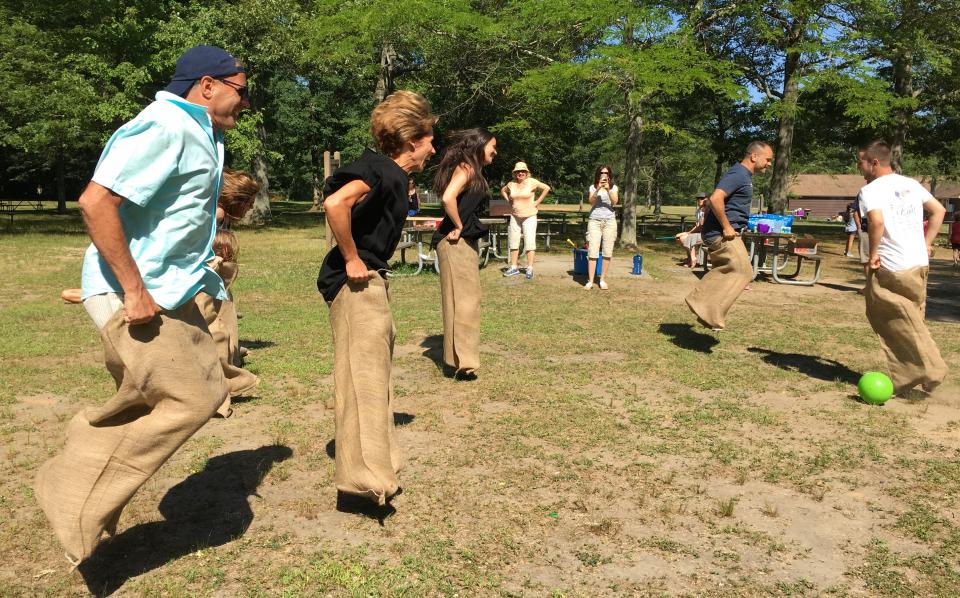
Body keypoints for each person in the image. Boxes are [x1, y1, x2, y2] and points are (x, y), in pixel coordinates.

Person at [34, 45, 248, 565]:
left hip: (170, 288)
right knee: (189, 398)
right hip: (136, 292)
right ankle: (71, 492)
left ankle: (93, 494)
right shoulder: (164, 126)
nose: (246, 102)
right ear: (208, 85)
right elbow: (95, 202)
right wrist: (133, 290)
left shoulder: (201, 131)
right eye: (242, 90)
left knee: (212, 385)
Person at [318, 90, 437, 510]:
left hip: (371, 278)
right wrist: (351, 258)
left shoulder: (391, 174)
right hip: (356, 281)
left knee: (375, 378)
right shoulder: (380, 169)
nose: (433, 148)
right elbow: (335, 203)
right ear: (411, 142)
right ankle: (364, 481)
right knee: (362, 381)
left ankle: (377, 469)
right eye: (429, 140)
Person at [856, 140, 947, 395]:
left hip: (893, 265)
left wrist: (873, 254)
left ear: (874, 162)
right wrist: (926, 243)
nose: (858, 166)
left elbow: (876, 221)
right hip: (918, 263)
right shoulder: (911, 184)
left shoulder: (871, 190)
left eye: (860, 161)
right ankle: (923, 377)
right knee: (914, 319)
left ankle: (929, 370)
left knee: (885, 315)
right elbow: (938, 211)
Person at [685, 141, 774, 330]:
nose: (769, 163)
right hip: (722, 234)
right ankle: (705, 307)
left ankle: (704, 309)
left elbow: (713, 200)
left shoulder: (743, 176)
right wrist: (726, 226)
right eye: (767, 159)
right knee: (743, 271)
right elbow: (716, 198)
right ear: (754, 156)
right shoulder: (739, 174)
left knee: (730, 269)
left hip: (726, 232)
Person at [432, 128, 498, 379]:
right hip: (454, 243)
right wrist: (459, 226)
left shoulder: (470, 169)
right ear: (480, 145)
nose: (495, 151)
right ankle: (465, 363)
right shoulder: (467, 168)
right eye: (492, 146)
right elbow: (448, 198)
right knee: (466, 302)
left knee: (460, 302)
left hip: (458, 244)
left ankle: (456, 360)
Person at [196, 168, 261, 418]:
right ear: (238, 198)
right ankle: (220, 389)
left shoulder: (221, 213)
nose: (250, 209)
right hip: (204, 280)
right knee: (216, 329)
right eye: (249, 203)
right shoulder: (218, 212)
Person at [500, 161, 550, 279]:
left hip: (530, 215)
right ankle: (513, 267)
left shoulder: (532, 182)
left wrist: (537, 202)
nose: (520, 173)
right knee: (513, 240)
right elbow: (503, 190)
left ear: (527, 172)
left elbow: (546, 188)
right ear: (515, 173)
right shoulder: (511, 184)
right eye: (518, 171)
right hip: (515, 216)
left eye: (523, 171)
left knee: (529, 241)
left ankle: (529, 268)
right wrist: (508, 200)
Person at [583, 165, 618, 289]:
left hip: (609, 221)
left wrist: (608, 189)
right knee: (593, 250)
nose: (604, 175)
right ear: (598, 174)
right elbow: (591, 202)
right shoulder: (593, 187)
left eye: (606, 173)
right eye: (602, 172)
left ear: (609, 175)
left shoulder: (614, 187)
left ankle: (602, 280)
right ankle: (590, 281)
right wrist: (598, 189)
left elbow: (615, 202)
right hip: (594, 220)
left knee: (607, 250)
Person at [675, 192, 707, 268]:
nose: (700, 200)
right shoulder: (698, 210)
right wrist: (687, 232)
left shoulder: (706, 210)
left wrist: (688, 233)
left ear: (706, 199)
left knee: (684, 238)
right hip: (699, 232)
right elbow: (697, 225)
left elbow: (700, 226)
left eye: (702, 199)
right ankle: (690, 257)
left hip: (706, 234)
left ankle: (692, 259)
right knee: (678, 237)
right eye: (698, 199)